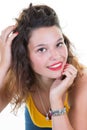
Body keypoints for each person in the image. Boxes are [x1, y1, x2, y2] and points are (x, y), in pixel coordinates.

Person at [0, 3, 87, 130]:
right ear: (24, 55)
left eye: (59, 44)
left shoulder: (82, 83)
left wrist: (56, 100)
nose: (56, 56)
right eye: (42, 49)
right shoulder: (22, 74)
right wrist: (4, 65)